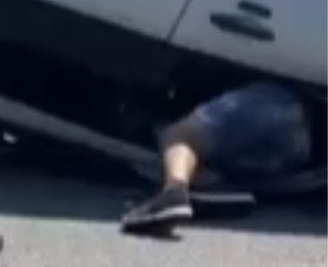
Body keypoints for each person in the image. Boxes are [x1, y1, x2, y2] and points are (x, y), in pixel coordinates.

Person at [121, 82, 311, 234]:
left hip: (272, 100)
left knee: (176, 135)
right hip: (300, 144)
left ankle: (173, 193)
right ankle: (205, 195)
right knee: (193, 159)